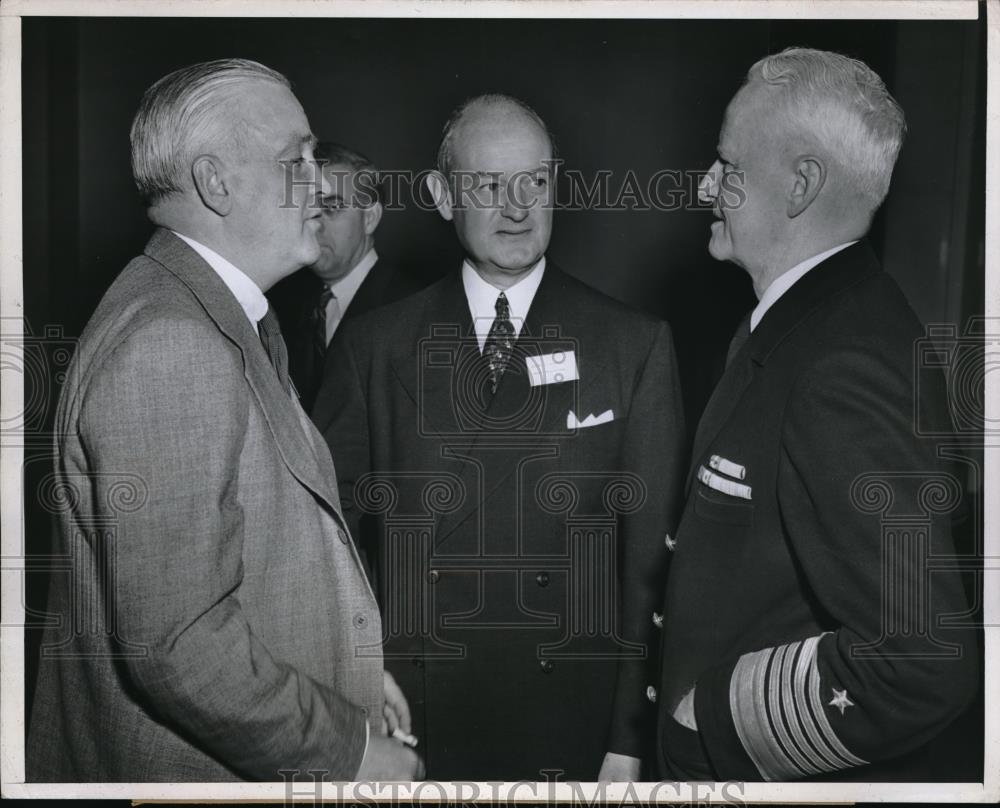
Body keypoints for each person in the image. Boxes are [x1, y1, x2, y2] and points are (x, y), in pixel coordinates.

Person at [26, 59, 421, 782]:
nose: (318, 181)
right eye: (294, 159)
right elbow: (180, 644)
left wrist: (348, 680)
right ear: (215, 182)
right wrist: (350, 749)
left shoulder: (215, 312)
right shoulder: (171, 342)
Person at [312, 93, 686, 781]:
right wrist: (355, 691)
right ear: (441, 195)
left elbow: (648, 573)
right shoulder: (376, 346)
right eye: (488, 185)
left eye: (534, 182)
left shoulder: (632, 345)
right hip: (412, 712)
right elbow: (327, 545)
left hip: (569, 721)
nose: (517, 207)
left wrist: (629, 741)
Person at [655, 48, 977, 781]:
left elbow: (923, 663)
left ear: (800, 185)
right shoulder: (819, 322)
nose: (706, 183)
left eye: (727, 165)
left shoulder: (837, 366)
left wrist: (712, 710)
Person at [267, 142, 420, 411]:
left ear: (370, 218)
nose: (315, 222)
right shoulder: (284, 306)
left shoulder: (413, 309)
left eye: (332, 207)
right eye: (309, 208)